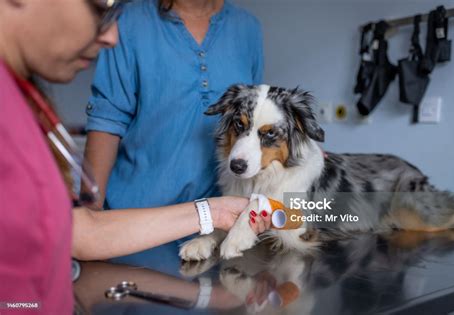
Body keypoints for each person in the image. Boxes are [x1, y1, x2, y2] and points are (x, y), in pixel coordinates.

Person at [0, 0, 269, 313]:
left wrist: (214, 211)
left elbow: (80, 232)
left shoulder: (18, 104)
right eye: (100, 10)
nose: (112, 36)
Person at [84, 0, 264, 267]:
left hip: (218, 230)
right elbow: (107, 120)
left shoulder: (248, 28)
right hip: (135, 227)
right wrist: (91, 220)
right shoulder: (128, 20)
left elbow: (253, 123)